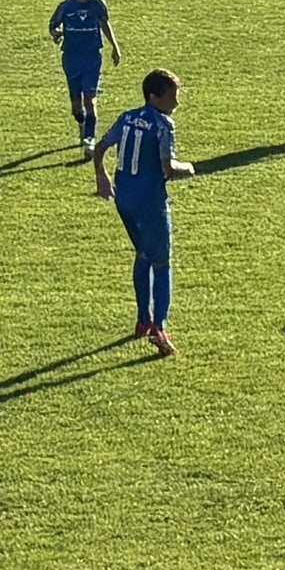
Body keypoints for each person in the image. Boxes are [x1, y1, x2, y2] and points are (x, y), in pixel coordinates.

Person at [94, 67, 194, 356]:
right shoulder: (164, 124)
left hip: (125, 199)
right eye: (172, 97)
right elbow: (168, 167)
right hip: (150, 201)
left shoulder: (127, 117)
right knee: (162, 263)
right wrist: (189, 169)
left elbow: (101, 147)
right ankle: (159, 328)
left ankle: (142, 321)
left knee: (142, 255)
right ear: (155, 97)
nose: (176, 103)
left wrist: (101, 176)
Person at [48, 0, 117, 149]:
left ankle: (90, 138)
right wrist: (56, 34)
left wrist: (114, 47)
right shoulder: (66, 7)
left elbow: (105, 25)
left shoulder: (97, 5)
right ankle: (82, 123)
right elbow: (53, 25)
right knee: (76, 104)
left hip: (92, 57)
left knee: (90, 98)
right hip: (71, 57)